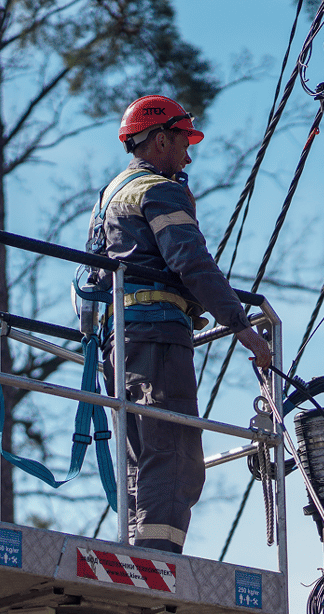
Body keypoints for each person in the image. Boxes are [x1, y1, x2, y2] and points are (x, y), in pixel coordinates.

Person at [88, 94, 272, 554]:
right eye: (185, 141)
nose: (189, 154)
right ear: (161, 138)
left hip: (120, 344)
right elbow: (189, 260)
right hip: (157, 340)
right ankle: (158, 565)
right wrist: (241, 326)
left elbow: (101, 272)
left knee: (142, 456)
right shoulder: (158, 188)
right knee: (174, 455)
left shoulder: (111, 195)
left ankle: (138, 554)